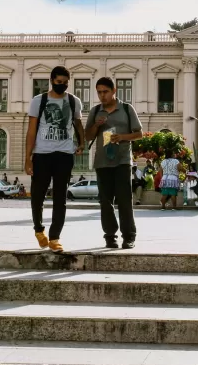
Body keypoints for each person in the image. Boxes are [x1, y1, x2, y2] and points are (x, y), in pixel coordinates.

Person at [25, 65, 85, 253]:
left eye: (66, 83)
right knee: (37, 196)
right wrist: (27, 158)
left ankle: (55, 238)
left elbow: (78, 123)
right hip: (42, 154)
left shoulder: (74, 102)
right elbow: (32, 130)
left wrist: (81, 142)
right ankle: (38, 229)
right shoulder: (39, 101)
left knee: (60, 198)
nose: (63, 86)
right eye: (59, 82)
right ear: (52, 80)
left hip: (64, 155)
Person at [85, 76, 144, 249]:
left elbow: (139, 133)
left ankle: (129, 236)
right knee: (105, 201)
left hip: (123, 161)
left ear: (114, 91)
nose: (102, 96)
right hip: (102, 162)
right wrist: (96, 125)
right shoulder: (95, 111)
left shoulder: (126, 109)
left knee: (124, 199)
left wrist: (122, 137)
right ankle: (110, 236)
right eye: (99, 92)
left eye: (105, 92)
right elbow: (88, 136)